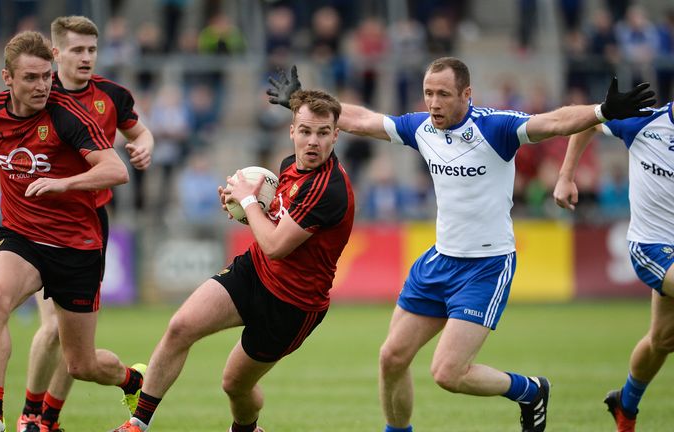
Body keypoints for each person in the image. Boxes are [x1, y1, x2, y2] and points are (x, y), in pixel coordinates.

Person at [266, 59, 655, 432]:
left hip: (485, 266)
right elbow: (362, 119)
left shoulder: (496, 128)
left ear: (467, 94)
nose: (433, 103)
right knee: (391, 358)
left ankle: (531, 390)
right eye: (428, 93)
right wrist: (300, 102)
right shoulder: (421, 127)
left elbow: (552, 122)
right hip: (439, 261)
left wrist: (601, 111)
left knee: (447, 373)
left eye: (443, 94)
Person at [110, 89, 356, 432]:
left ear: (335, 135)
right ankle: (138, 424)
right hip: (255, 270)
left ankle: (246, 429)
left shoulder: (328, 189)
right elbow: (273, 221)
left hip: (292, 305)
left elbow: (276, 245)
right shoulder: (289, 165)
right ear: (292, 131)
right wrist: (240, 207)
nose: (312, 141)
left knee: (234, 385)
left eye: (322, 133)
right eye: (305, 131)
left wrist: (249, 203)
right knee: (180, 326)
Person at [0, 30, 143, 432]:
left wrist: (63, 183)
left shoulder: (66, 116)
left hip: (75, 246)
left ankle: (132, 380)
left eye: (45, 76)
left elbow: (116, 170)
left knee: (81, 364)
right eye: (31, 78)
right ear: (7, 78)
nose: (42, 86)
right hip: (21, 237)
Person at [553, 100, 674, 432]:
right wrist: (566, 176)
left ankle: (626, 405)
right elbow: (589, 120)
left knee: (662, 340)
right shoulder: (643, 122)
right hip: (651, 247)